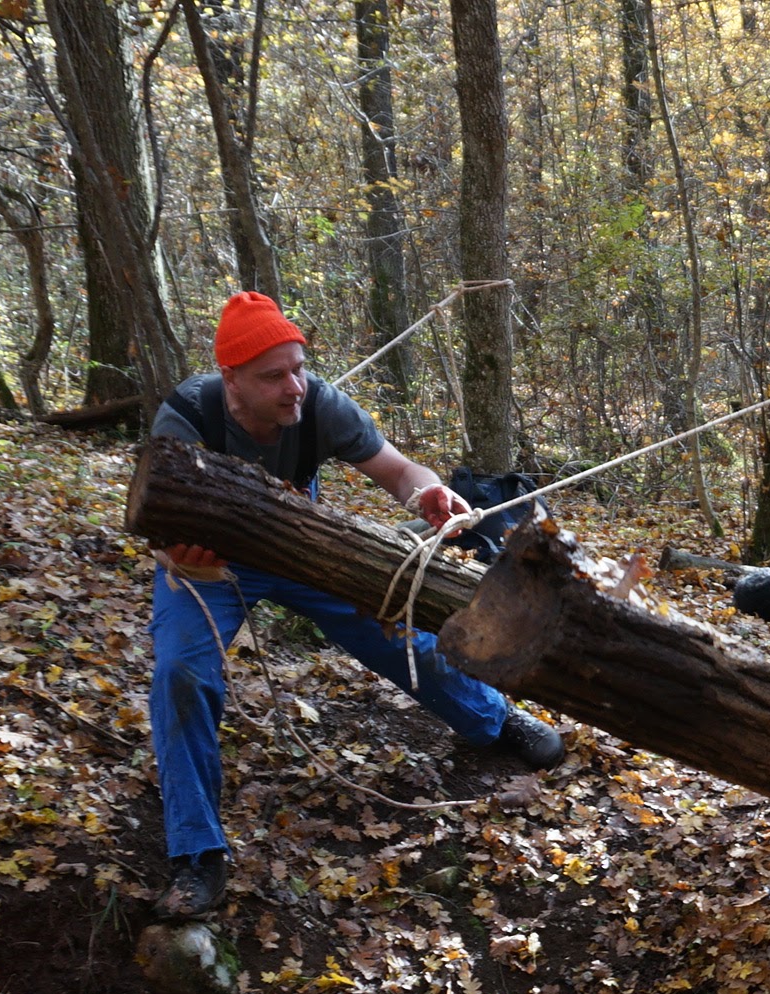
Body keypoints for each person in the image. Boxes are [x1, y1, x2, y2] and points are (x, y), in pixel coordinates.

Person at [146, 292, 565, 919]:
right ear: (231, 379)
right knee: (180, 672)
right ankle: (197, 854)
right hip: (212, 567)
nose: (294, 386)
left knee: (392, 622)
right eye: (274, 375)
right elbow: (163, 532)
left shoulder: (316, 405)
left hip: (302, 539)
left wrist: (428, 493)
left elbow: (398, 470)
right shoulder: (185, 419)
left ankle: (492, 721)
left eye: (299, 368)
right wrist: (186, 553)